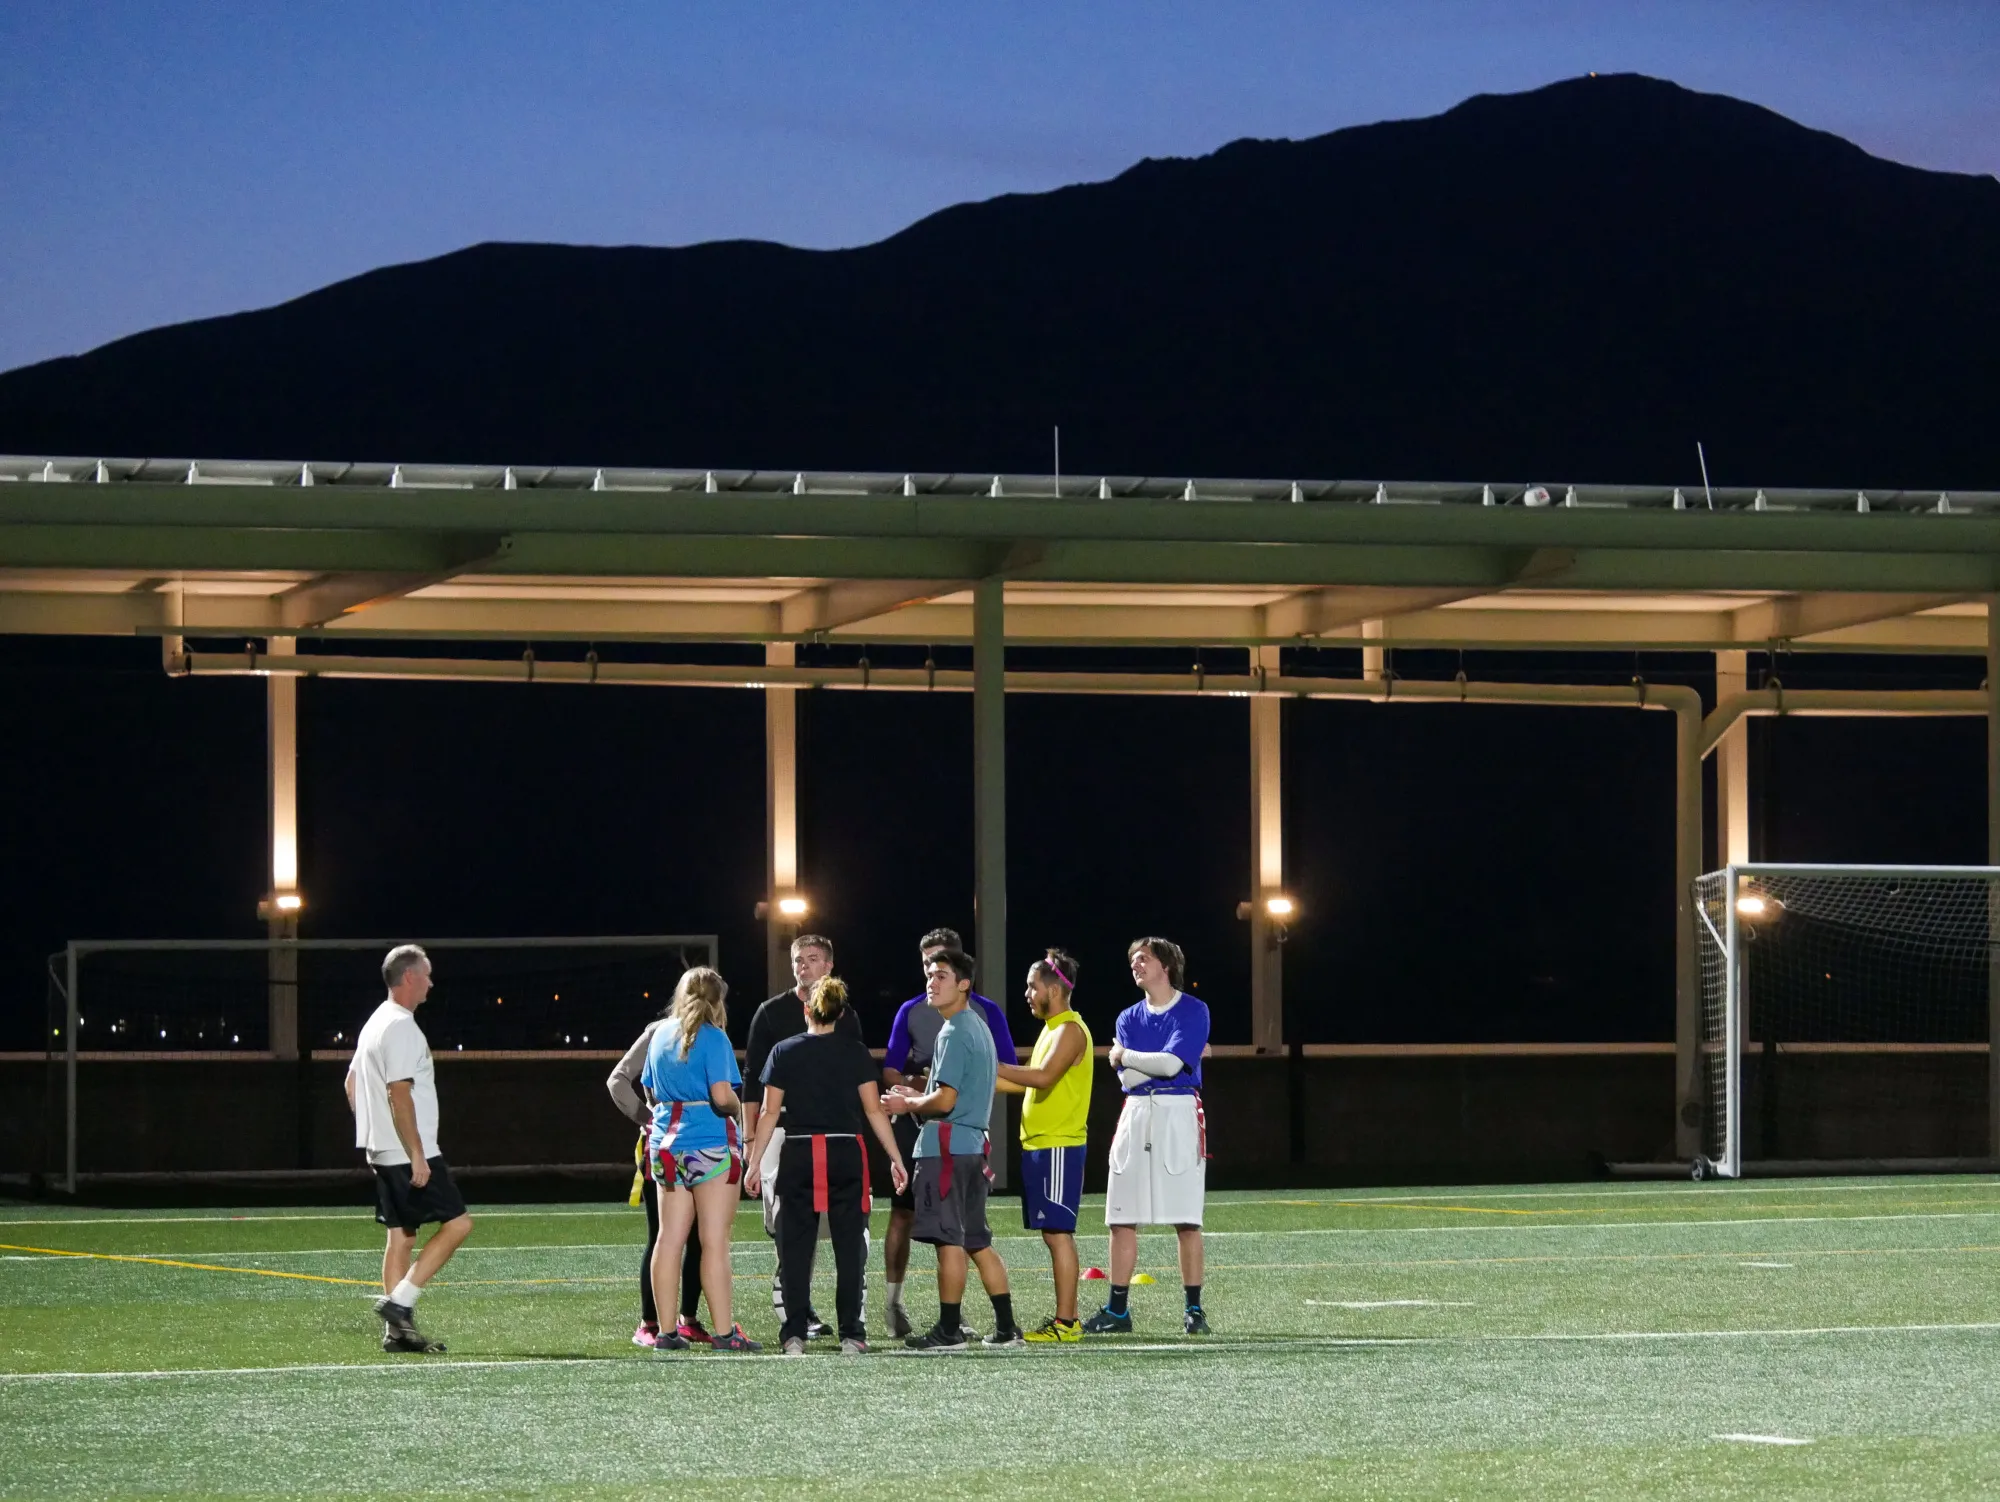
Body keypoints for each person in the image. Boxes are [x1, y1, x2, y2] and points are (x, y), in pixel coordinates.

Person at [745, 975, 910, 1355]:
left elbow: (769, 1114)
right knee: (850, 1246)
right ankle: (852, 1333)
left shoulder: (784, 1051)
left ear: (807, 1010)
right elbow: (873, 1110)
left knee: (795, 1248)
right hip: (845, 1154)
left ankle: (794, 1334)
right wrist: (896, 1159)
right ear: (840, 1013)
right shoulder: (855, 1052)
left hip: (800, 1153)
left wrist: (753, 1164)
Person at [881, 948, 1023, 1350]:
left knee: (950, 1240)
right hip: (972, 1147)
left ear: (964, 984)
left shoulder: (954, 1030)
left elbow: (944, 1102)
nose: (932, 982)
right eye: (929, 975)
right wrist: (919, 1093)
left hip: (946, 1148)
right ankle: (1007, 1328)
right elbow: (950, 1093)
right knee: (977, 1239)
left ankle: (948, 1330)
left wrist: (907, 1103)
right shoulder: (977, 1026)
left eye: (941, 975)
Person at [345, 944, 472, 1354]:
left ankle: (397, 1335)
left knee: (401, 1236)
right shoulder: (400, 1026)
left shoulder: (374, 1023)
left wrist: (375, 1132)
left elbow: (350, 1085)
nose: (431, 983)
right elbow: (398, 1093)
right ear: (409, 978)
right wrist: (417, 1153)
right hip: (406, 1152)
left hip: (384, 1150)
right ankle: (400, 1304)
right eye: (427, 975)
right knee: (458, 1225)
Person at [1084, 936, 1212, 1337]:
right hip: (1136, 1113)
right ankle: (1117, 1311)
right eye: (1132, 959)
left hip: (1178, 1113)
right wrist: (1139, 1064)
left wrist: (1125, 1055)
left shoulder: (1194, 1010)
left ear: (1166, 966)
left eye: (1144, 958)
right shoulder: (1127, 1017)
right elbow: (1131, 1080)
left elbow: (1173, 1064)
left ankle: (1194, 1310)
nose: (1135, 965)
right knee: (1121, 1217)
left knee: (1186, 1220)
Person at [743, 933, 863, 1336]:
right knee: (788, 1225)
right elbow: (753, 1086)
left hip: (834, 1136)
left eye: (812, 959)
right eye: (798, 960)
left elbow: (855, 1080)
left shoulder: (846, 1015)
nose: (803, 966)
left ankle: (847, 1318)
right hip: (782, 1133)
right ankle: (798, 1310)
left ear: (829, 965)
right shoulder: (771, 1012)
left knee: (842, 1227)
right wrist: (750, 1145)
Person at [641, 966, 758, 1352]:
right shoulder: (714, 1038)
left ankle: (665, 1333)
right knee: (714, 1242)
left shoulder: (658, 1035)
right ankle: (725, 1334)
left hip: (664, 1145)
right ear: (716, 1000)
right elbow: (722, 1097)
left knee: (668, 1239)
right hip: (710, 1144)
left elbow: (648, 1093)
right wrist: (739, 1108)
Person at [994, 948, 1093, 1343]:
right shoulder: (1052, 1028)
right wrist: (976, 1082)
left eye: (1032, 986)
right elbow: (1024, 1081)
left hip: (1059, 1146)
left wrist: (988, 1062)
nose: (1027, 993)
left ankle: (1067, 1322)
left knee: (1058, 1233)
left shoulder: (1070, 1029)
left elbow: (1044, 1076)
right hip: (1041, 1147)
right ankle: (1065, 1320)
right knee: (1052, 1233)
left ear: (1054, 988)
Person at [607, 1009, 710, 1348]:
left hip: (703, 1145)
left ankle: (689, 1318)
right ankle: (649, 1322)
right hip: (666, 1145)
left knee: (700, 1236)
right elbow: (618, 1078)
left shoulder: (710, 1033)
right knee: (664, 1234)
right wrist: (646, 1118)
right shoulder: (659, 1033)